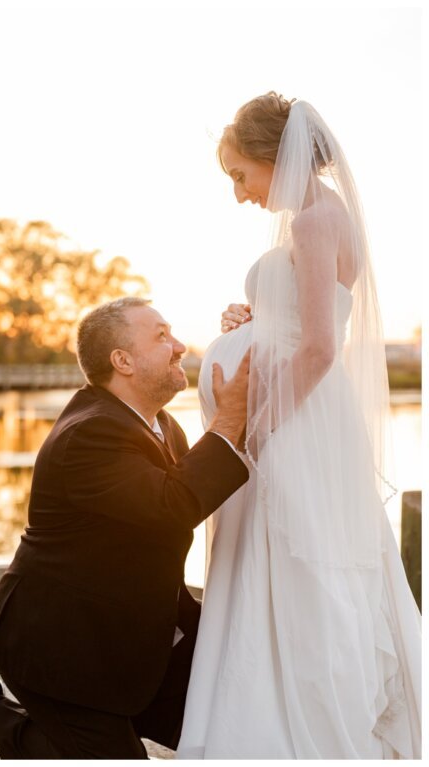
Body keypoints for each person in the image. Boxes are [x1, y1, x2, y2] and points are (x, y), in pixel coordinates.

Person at [178, 93, 422, 759]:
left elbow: (318, 348)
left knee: (299, 572)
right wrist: (249, 316)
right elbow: (303, 322)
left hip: (293, 430)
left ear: (269, 156)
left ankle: (286, 731)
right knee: (295, 570)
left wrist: (253, 432)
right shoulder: (319, 219)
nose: (239, 194)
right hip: (302, 421)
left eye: (239, 175)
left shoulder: (314, 222)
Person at [0, 297, 252, 759]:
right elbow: (175, 505)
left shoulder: (162, 426)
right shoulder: (89, 435)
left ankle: (112, 720)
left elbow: (191, 494)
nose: (181, 346)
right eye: (162, 336)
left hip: (131, 636)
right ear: (122, 361)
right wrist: (230, 417)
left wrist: (249, 335)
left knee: (235, 718)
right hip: (59, 649)